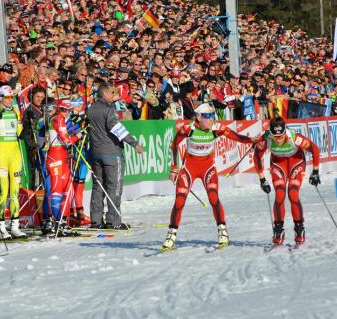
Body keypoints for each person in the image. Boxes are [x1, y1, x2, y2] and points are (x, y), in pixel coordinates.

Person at [161, 103, 255, 251]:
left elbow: (237, 137)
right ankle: (171, 235)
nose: (211, 119)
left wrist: (251, 140)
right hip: (189, 168)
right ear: (198, 117)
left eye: (212, 115)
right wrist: (174, 168)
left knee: (213, 198)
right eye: (207, 116)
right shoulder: (188, 129)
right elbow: (174, 145)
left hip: (208, 168)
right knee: (179, 201)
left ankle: (223, 232)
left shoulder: (217, 128)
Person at [254, 116, 320, 245]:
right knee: (279, 195)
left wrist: (315, 171)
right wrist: (262, 179)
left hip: (296, 161)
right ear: (271, 133)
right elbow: (257, 155)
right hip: (278, 163)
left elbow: (314, 149)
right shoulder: (266, 138)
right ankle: (278, 229)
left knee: (293, 194)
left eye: (281, 136)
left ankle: (299, 228)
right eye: (275, 137)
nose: (278, 140)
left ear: (285, 131)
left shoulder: (294, 137)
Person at [86, 81, 143, 229]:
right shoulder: (108, 109)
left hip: (96, 153)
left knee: (98, 187)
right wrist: (134, 143)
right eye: (112, 93)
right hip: (111, 153)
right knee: (114, 187)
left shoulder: (91, 108)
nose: (115, 96)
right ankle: (113, 220)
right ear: (104, 93)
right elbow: (116, 128)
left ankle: (96, 219)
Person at [0, 85, 26, 239]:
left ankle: (15, 226)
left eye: (11, 97)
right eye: (7, 97)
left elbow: (20, 132)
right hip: (1, 154)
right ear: (1, 97)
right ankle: (1, 227)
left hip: (15, 154)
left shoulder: (16, 111)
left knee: (15, 191)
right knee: (3, 192)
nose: (10, 100)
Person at [46, 99, 83, 236]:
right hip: (55, 157)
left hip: (62, 156)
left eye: (68, 110)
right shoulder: (57, 119)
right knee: (57, 190)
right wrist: (79, 135)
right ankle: (56, 222)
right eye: (65, 110)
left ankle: (63, 222)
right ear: (59, 109)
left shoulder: (61, 118)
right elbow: (67, 141)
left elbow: (66, 138)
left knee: (68, 190)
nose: (67, 113)